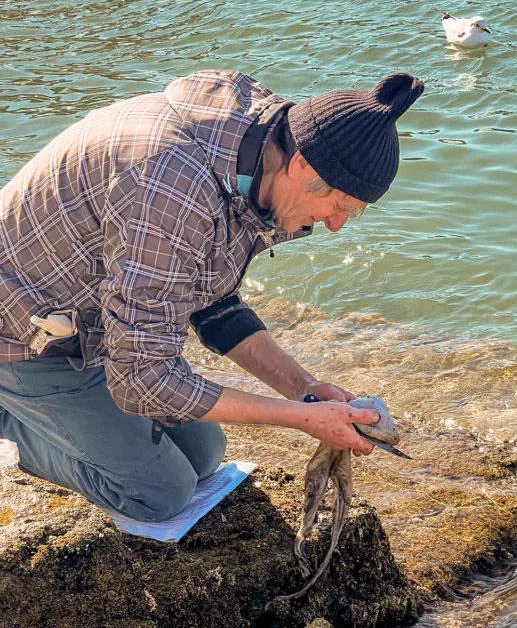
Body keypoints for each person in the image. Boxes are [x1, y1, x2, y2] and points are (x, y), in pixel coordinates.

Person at [0, 69, 424, 520]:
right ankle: (12, 423)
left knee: (205, 454)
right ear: (302, 166)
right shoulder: (169, 188)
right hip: (26, 337)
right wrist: (298, 419)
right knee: (159, 492)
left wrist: (304, 391)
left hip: (102, 325)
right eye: (338, 206)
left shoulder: (262, 150)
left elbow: (213, 303)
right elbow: (144, 379)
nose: (336, 225)